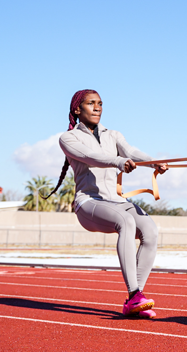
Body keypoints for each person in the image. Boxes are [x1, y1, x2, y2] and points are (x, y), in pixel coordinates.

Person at [51, 89, 168, 319]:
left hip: (116, 201)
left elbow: (131, 152)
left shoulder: (113, 135)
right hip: (88, 204)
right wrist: (119, 161)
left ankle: (135, 299)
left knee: (150, 231)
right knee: (125, 221)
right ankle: (134, 294)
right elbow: (89, 156)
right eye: (91, 103)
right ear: (77, 109)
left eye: (100, 103)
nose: (97, 108)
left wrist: (152, 163)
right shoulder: (68, 138)